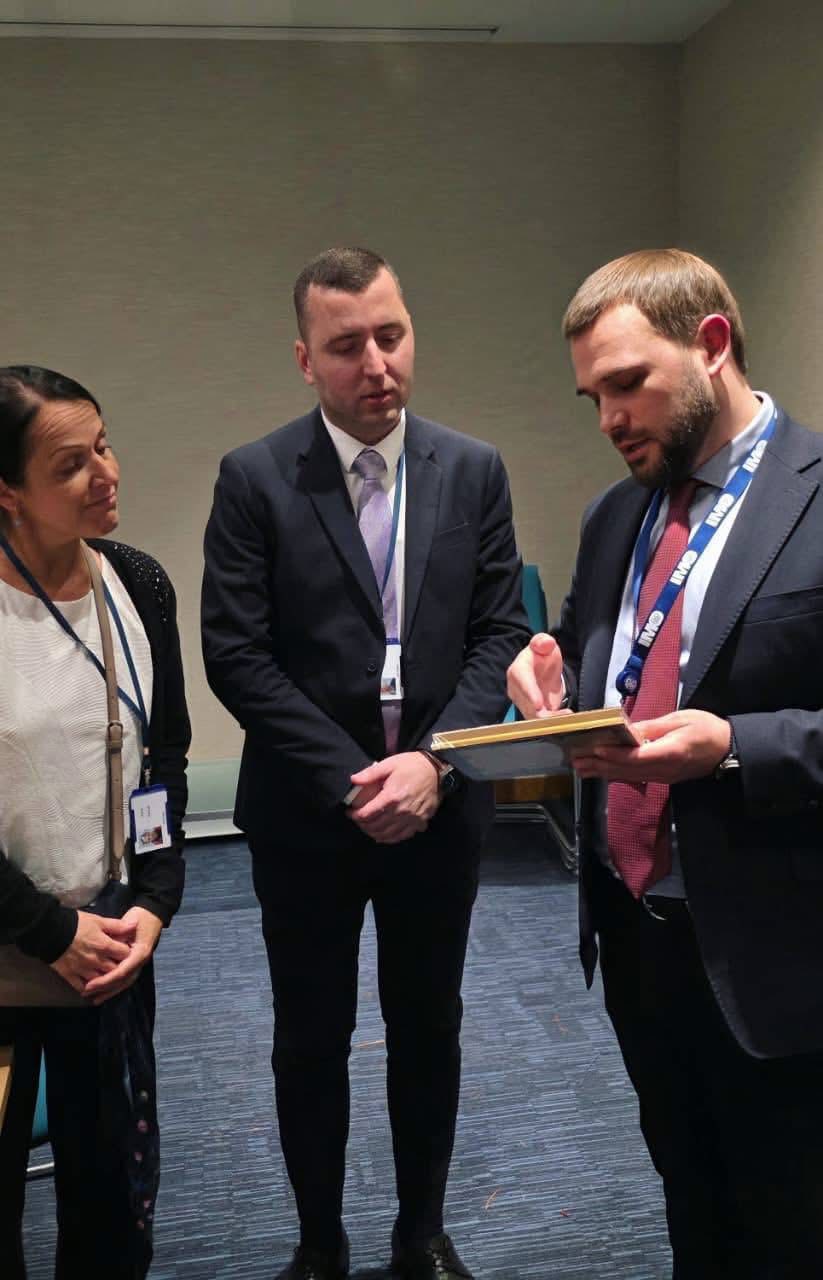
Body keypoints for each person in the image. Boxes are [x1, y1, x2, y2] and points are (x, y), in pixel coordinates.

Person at [202, 247, 530, 1280]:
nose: (376, 363)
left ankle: (420, 1233)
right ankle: (319, 1243)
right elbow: (237, 654)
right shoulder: (255, 477)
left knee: (428, 1024)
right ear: (306, 359)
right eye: (347, 346)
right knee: (311, 1034)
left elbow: (497, 633)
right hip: (309, 814)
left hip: (439, 810)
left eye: (391, 335)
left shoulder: (472, 469)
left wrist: (433, 763)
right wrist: (354, 776)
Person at [507, 248, 823, 1279]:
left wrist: (732, 745)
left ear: (712, 344)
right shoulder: (617, 514)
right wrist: (548, 677)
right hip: (637, 930)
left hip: (779, 947)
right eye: (592, 397)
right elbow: (590, 653)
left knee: (788, 1221)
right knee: (691, 1199)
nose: (608, 418)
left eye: (628, 384)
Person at [0, 366, 190, 1279]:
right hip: (15, 950)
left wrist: (154, 899)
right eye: (70, 464)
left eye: (103, 446)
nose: (105, 474)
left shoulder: (139, 584)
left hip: (109, 950)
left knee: (111, 1209)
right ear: (7, 491)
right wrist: (50, 931)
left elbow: (165, 756)